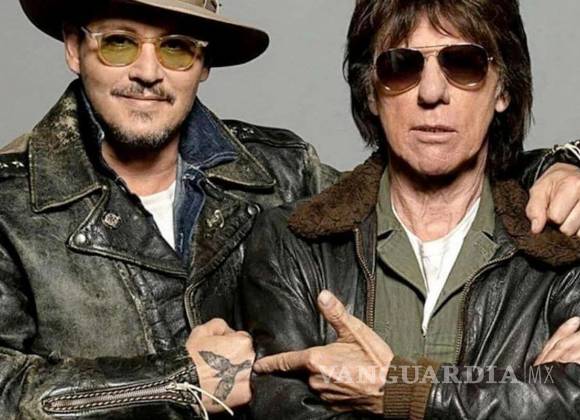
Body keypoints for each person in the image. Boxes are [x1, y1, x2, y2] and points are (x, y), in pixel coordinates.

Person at [2, 0, 580, 418]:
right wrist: (179, 381)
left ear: (203, 62)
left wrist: (562, 164)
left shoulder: (276, 172)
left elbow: (430, 170)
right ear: (75, 48)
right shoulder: (9, 204)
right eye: (119, 42)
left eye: (176, 47)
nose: (148, 71)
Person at [240, 0, 580, 418]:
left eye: (464, 64)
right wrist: (515, 392)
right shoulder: (292, 244)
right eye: (401, 66)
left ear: (503, 90)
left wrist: (402, 390)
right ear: (370, 92)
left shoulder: (562, 242)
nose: (431, 93)